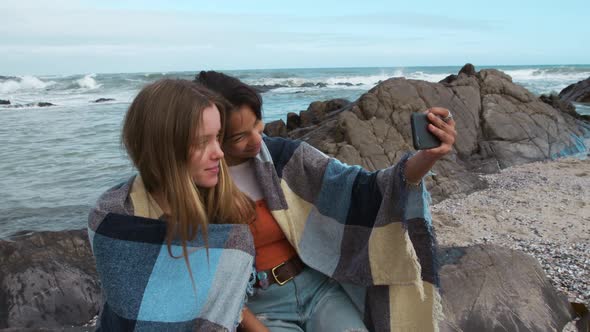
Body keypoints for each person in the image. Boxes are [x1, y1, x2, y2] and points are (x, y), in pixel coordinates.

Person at [196, 71, 457, 332]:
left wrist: (427, 157)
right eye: (239, 136)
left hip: (318, 289)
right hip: (259, 307)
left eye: (257, 123)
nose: (256, 140)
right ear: (211, 134)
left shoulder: (284, 157)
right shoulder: (197, 186)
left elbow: (361, 189)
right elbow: (201, 278)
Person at [87, 79, 267, 331]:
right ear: (164, 147)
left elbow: (227, 304)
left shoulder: (221, 203)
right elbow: (135, 316)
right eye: (202, 142)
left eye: (218, 137)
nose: (219, 152)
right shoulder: (115, 221)